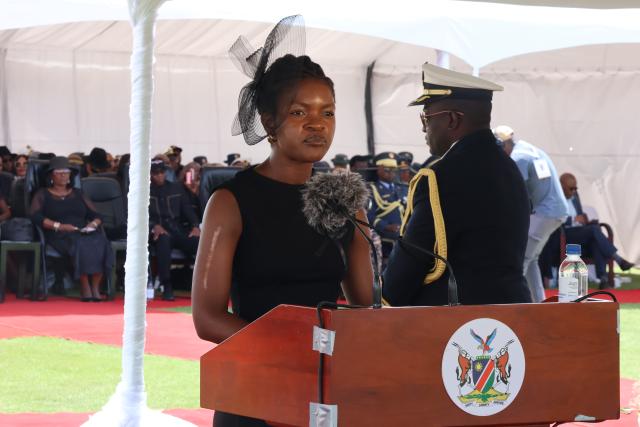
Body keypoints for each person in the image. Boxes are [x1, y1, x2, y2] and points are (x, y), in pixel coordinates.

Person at [191, 16, 373, 427]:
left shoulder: (343, 200)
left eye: (327, 112)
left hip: (326, 386)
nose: (317, 124)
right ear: (269, 122)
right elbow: (207, 318)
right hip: (257, 392)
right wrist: (295, 348)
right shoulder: (232, 201)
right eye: (299, 112)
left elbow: (365, 302)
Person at [383, 63, 532, 306]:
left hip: (454, 320)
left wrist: (382, 297)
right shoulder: (510, 168)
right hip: (512, 309)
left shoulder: (440, 176)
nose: (424, 128)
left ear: (452, 120)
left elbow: (412, 259)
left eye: (426, 117)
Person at [496, 125, 569, 302]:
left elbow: (515, 194)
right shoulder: (530, 149)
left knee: (518, 261)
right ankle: (538, 303)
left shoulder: (518, 158)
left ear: (503, 145)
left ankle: (513, 303)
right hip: (555, 211)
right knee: (531, 259)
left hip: (546, 212)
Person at [30, 156, 114, 301]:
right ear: (51, 176)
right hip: (58, 234)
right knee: (80, 244)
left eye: (66, 172)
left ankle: (95, 286)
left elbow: (97, 215)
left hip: (82, 231)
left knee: (101, 242)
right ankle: (85, 285)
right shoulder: (42, 194)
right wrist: (59, 226)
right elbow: (35, 216)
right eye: (59, 172)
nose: (63, 175)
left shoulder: (78, 193)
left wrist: (93, 224)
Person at [559, 172, 634, 287]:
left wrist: (584, 218)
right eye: (571, 188)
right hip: (565, 234)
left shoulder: (574, 196)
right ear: (562, 187)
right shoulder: (556, 198)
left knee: (596, 242)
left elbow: (580, 214)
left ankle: (603, 279)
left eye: (575, 188)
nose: (574, 191)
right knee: (594, 230)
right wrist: (574, 219)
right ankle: (618, 259)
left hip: (581, 232)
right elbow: (556, 219)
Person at [149, 159, 200, 301]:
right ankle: (167, 285)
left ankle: (203, 285)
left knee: (198, 242)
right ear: (150, 175)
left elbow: (187, 209)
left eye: (161, 173)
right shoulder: (144, 191)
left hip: (177, 229)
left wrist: (196, 226)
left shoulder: (176, 188)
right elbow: (140, 215)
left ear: (165, 173)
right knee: (163, 240)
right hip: (158, 232)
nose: (159, 176)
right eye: (155, 173)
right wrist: (153, 226)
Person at [367, 152, 405, 261]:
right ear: (378, 169)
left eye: (394, 168)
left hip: (404, 235)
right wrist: (386, 226)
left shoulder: (402, 188)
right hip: (386, 238)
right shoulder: (372, 190)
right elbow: (369, 216)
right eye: (388, 169)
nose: (392, 172)